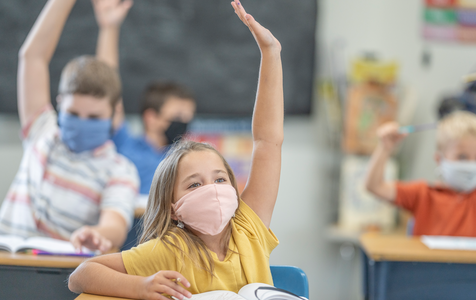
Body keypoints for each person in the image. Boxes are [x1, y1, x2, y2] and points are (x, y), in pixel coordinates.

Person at [68, 1, 283, 299]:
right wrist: (140, 286)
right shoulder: (170, 249)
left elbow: (268, 142)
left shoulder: (250, 229)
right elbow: (81, 275)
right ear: (172, 205)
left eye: (220, 179)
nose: (213, 191)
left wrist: (271, 53)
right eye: (195, 184)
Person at [0, 0, 139, 253]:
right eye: (73, 113)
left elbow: (115, 226)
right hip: (5, 260)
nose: (82, 122)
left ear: (113, 113)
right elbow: (32, 57)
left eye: (94, 117)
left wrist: (97, 234)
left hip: (53, 273)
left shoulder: (119, 170)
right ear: (59, 104)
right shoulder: (42, 130)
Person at [365, 55, 476, 237]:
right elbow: (374, 186)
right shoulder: (423, 194)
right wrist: (384, 148)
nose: (472, 163)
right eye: (462, 156)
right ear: (439, 158)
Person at [92, 0, 196, 196]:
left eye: (187, 118)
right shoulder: (123, 144)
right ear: (151, 117)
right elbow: (107, 88)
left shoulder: (185, 160)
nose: (184, 124)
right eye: (177, 116)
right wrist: (109, 29)